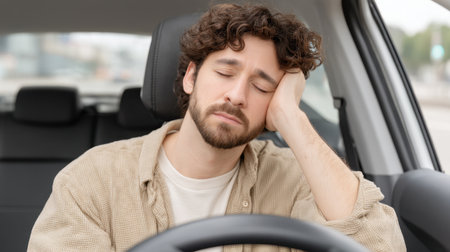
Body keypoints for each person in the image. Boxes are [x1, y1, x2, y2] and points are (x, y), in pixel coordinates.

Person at [28, 3, 406, 252]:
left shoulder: (298, 183)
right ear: (191, 77)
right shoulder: (91, 180)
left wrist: (293, 118)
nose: (237, 95)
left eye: (262, 87)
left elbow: (377, 246)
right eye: (225, 72)